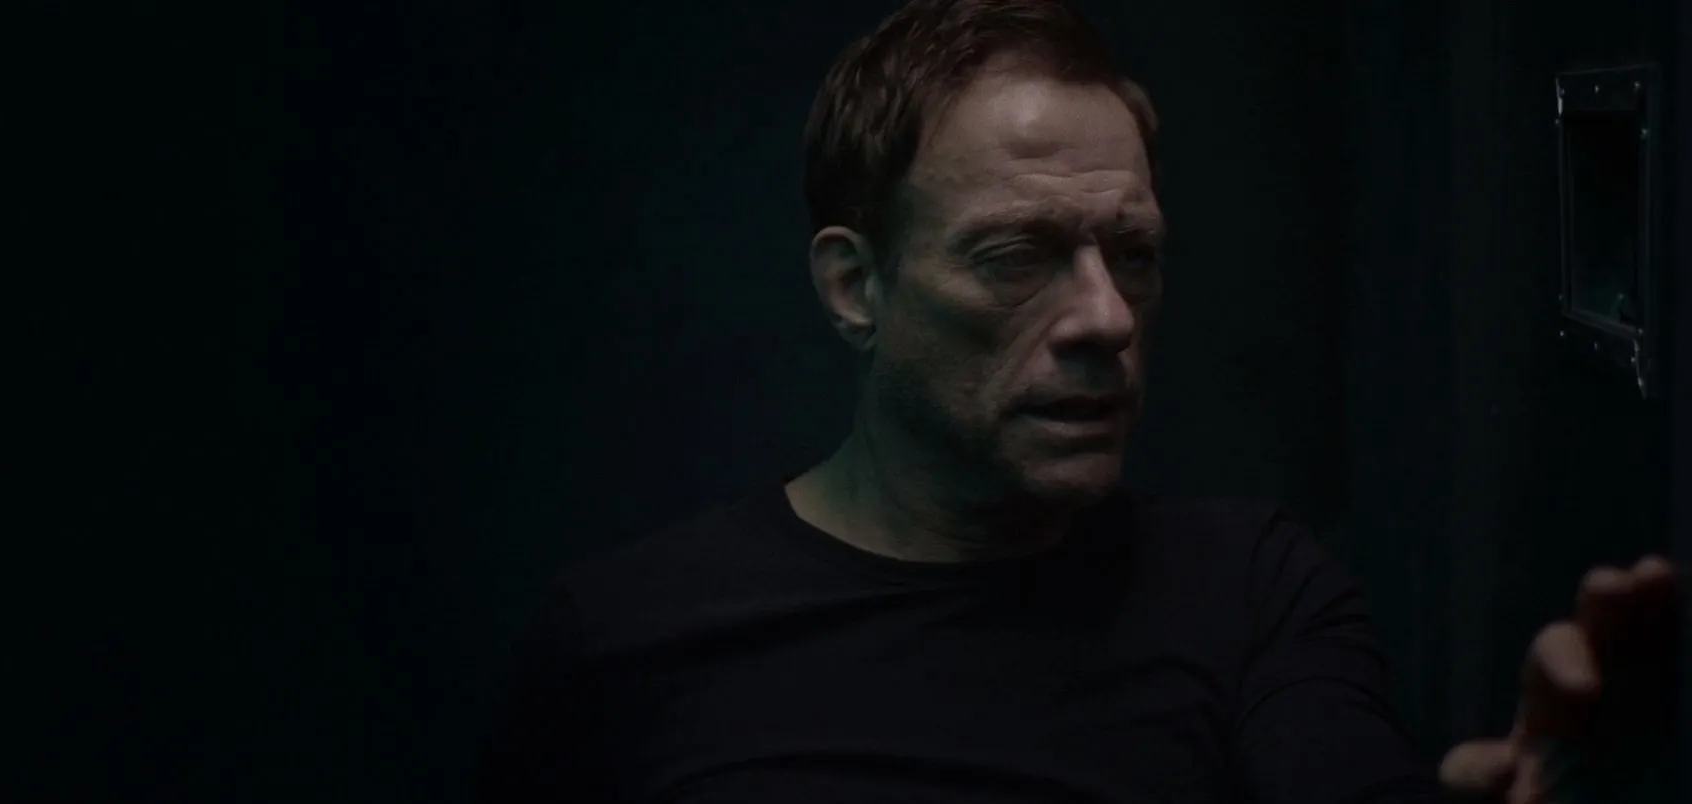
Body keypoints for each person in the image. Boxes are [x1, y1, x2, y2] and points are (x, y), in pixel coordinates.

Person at [471, 1, 1681, 801]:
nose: (1106, 317)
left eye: (1132, 254)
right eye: (1017, 257)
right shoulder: (630, 641)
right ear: (855, 287)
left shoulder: (1253, 593)